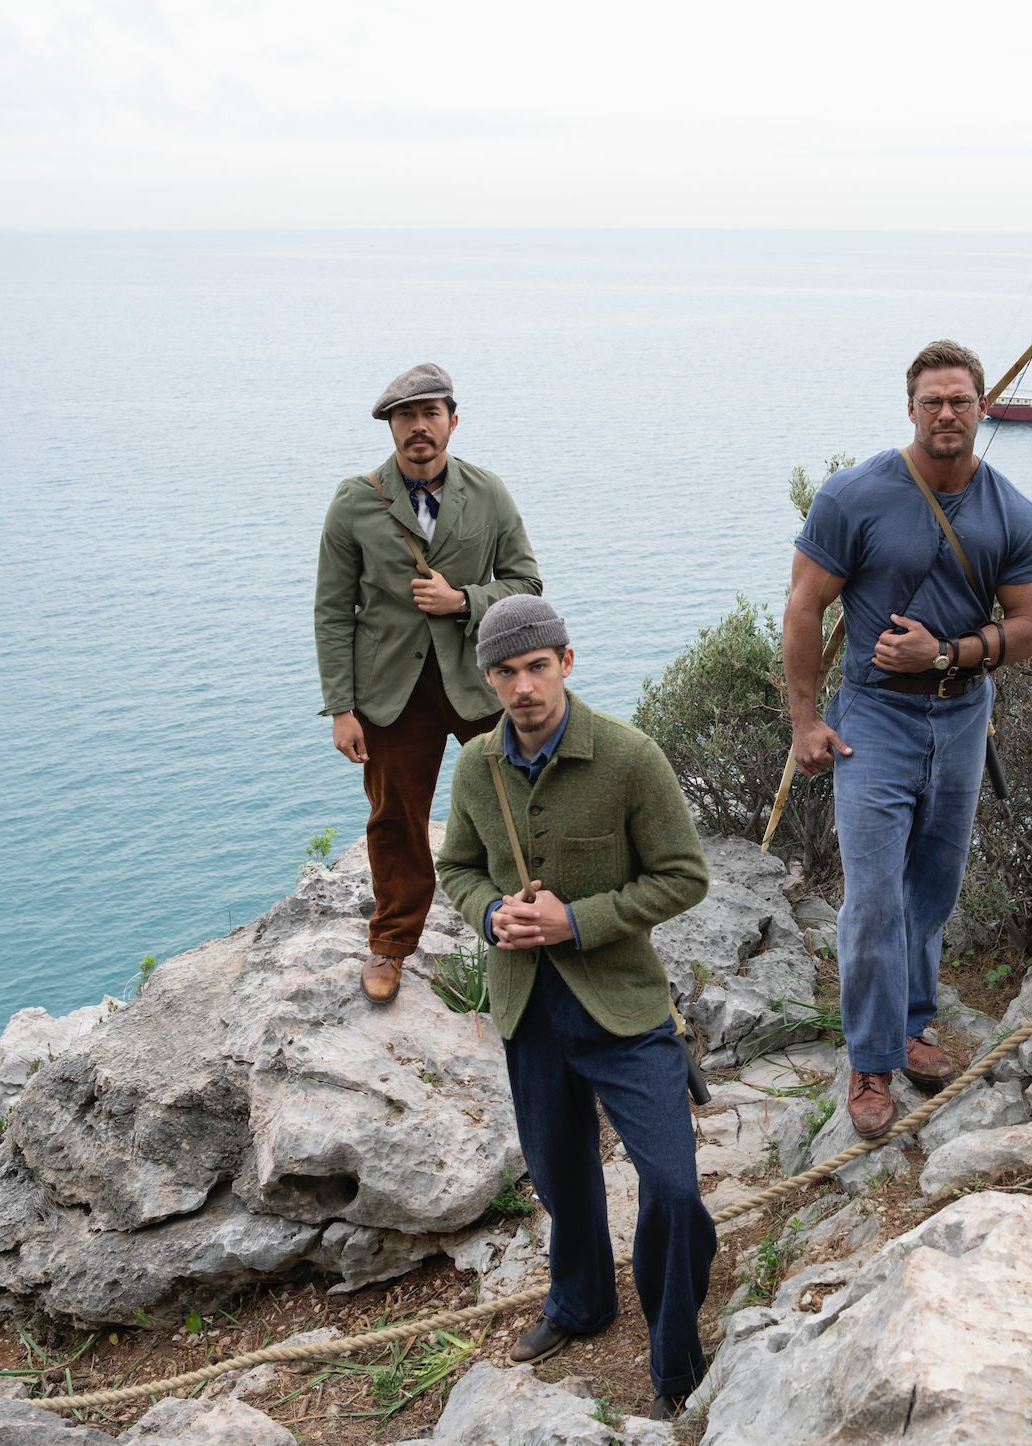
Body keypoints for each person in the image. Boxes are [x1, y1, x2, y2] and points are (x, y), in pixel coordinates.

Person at [434, 595, 713, 1421]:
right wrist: (490, 914)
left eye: (536, 666)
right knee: (562, 1179)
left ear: (566, 660)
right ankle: (581, 1303)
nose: (523, 686)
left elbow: (683, 875)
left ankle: (675, 1359)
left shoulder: (630, 758)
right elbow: (458, 868)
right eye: (506, 672)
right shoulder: (475, 767)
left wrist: (576, 921)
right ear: (487, 677)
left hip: (626, 1010)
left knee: (671, 1189)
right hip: (528, 1010)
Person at [786, 340, 1032, 1138]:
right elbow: (805, 608)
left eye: (960, 401)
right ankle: (869, 1062)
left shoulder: (1011, 511)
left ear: (981, 407)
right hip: (875, 717)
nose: (946, 414)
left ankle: (910, 1028)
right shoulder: (854, 496)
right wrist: (805, 721)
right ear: (911, 409)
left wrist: (948, 654)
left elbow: (1031, 627)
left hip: (965, 714)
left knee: (932, 888)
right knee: (871, 897)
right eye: (932, 401)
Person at [314, 363, 542, 1003]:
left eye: (430, 414)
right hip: (388, 693)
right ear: (391, 427)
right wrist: (341, 709)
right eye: (405, 417)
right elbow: (332, 610)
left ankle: (535, 924)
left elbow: (526, 584)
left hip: (479, 684)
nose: (419, 427)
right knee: (395, 819)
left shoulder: (488, 493)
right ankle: (390, 945)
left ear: (453, 421)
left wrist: (462, 599)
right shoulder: (355, 501)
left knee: (518, 803)